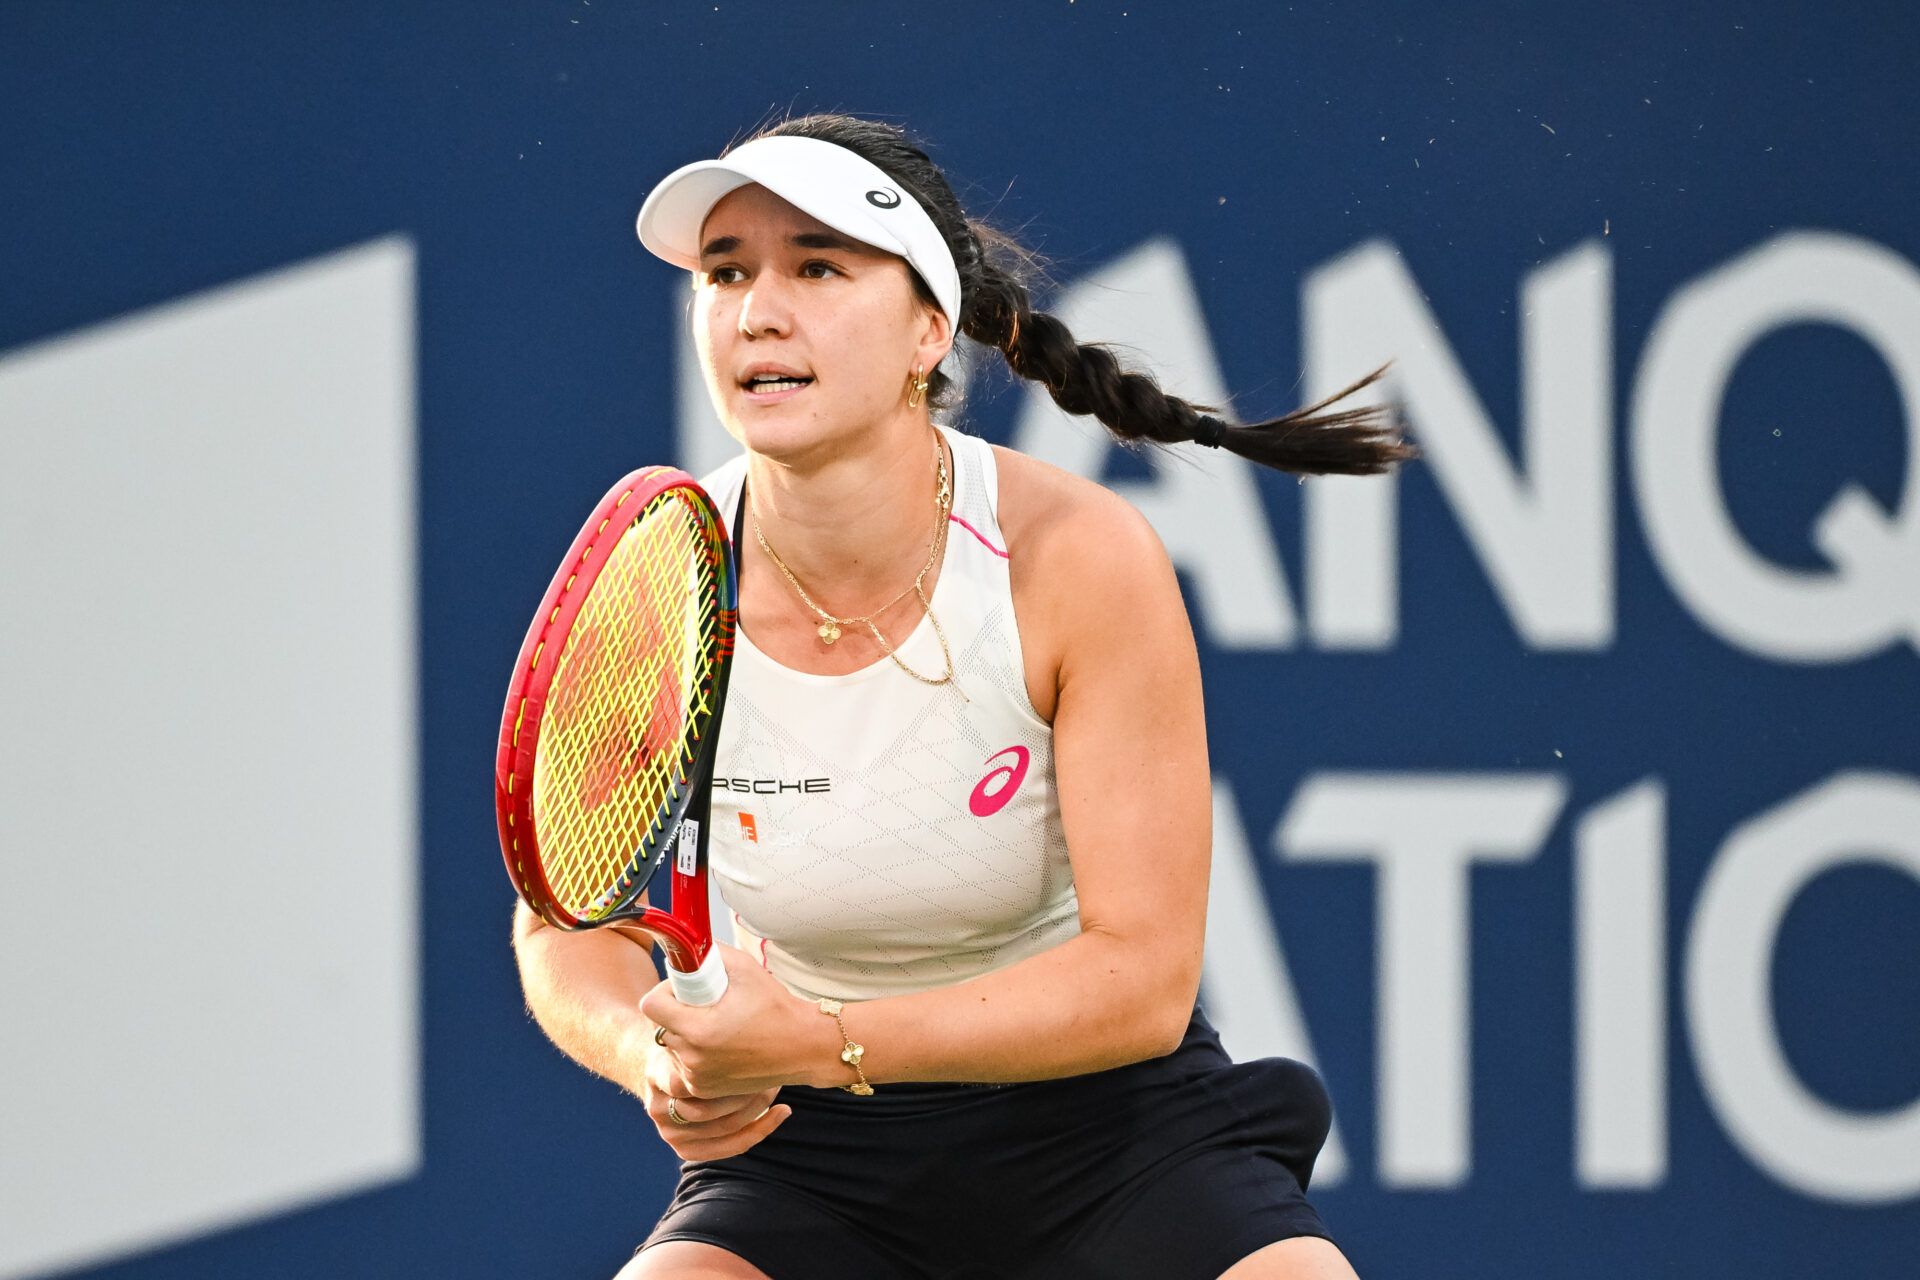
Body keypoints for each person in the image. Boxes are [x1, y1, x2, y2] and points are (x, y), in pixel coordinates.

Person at [512, 113, 1415, 1280]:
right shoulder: (660, 581)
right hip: (809, 1151)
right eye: (726, 271)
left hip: (1112, 1131)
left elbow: (1142, 978)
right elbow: (559, 920)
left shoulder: (1076, 555)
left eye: (818, 266)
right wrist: (655, 1053)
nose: (758, 309)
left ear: (927, 329)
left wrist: (827, 1039)